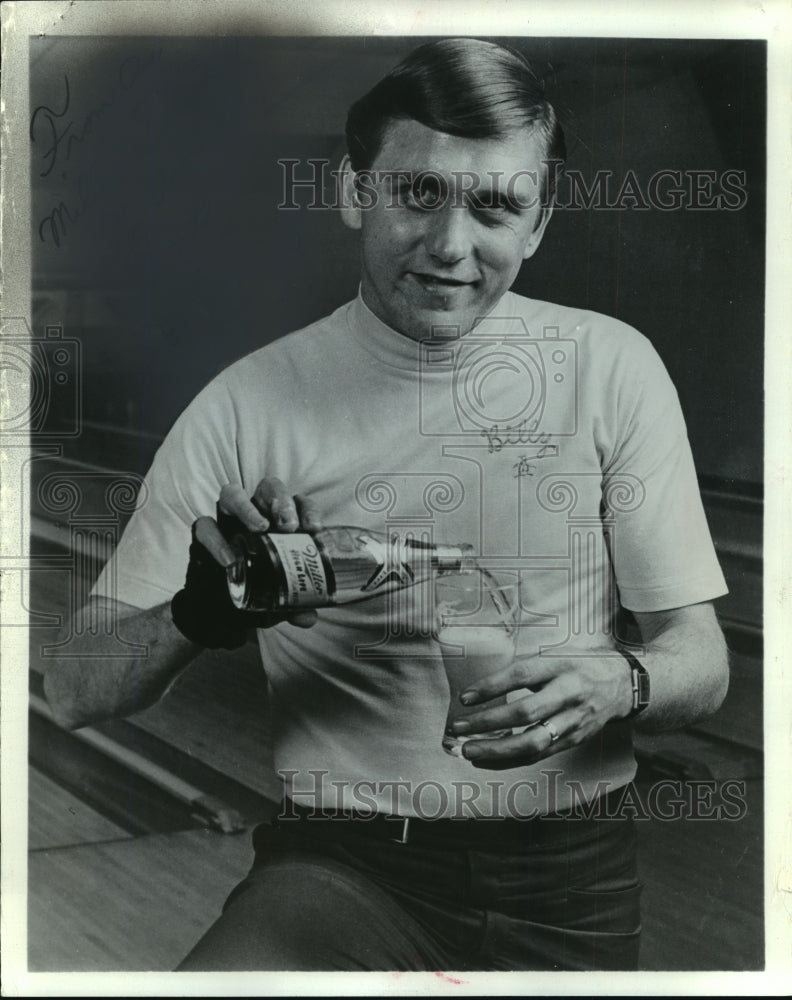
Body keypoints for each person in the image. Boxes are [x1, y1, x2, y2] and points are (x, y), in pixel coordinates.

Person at [43, 37, 729, 971]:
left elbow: (703, 661)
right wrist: (197, 614)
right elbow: (76, 687)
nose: (452, 246)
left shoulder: (613, 368)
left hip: (571, 884)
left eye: (496, 205)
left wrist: (625, 681)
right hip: (343, 869)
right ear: (352, 191)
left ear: (539, 221)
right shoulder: (247, 404)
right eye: (417, 194)